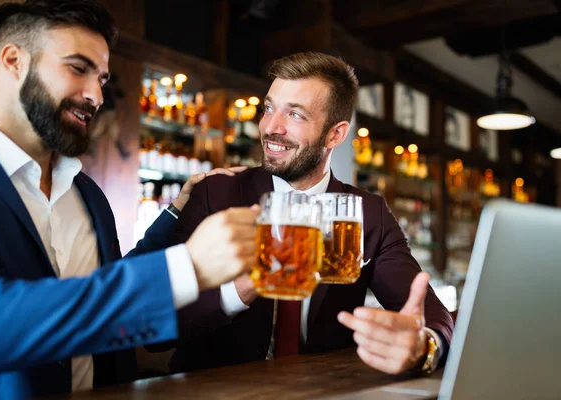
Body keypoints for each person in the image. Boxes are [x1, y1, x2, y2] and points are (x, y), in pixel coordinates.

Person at [0, 1, 257, 399]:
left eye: (101, 78)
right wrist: (187, 268)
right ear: (14, 60)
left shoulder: (87, 193)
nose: (96, 95)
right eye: (77, 68)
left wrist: (175, 212)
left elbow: (102, 290)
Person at [164, 52, 454, 376]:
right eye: (269, 108)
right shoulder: (215, 193)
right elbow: (162, 324)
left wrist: (423, 346)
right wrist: (240, 291)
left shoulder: (368, 213)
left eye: (295, 115)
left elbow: (430, 314)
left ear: (336, 134)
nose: (271, 127)